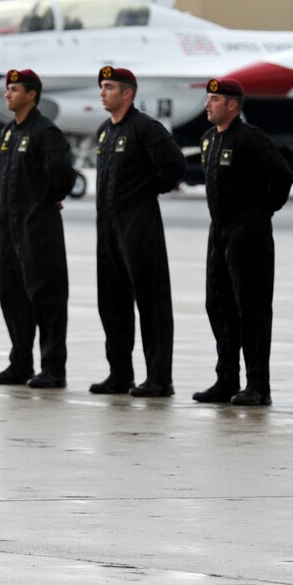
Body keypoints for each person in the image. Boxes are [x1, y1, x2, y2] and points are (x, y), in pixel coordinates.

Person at [191, 78, 293, 407]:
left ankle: (258, 385)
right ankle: (226, 380)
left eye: (215, 99)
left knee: (251, 309)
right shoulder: (209, 140)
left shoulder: (251, 138)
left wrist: (262, 212)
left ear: (233, 105)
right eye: (208, 99)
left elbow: (282, 176)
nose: (208, 104)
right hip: (218, 233)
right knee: (218, 305)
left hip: (249, 233)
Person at [89, 66, 187, 397]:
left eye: (109, 87)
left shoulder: (145, 128)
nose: (103, 92)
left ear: (128, 93)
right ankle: (120, 374)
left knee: (151, 302)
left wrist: (149, 191)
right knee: (112, 303)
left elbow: (174, 165)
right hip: (108, 229)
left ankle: (159, 378)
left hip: (139, 226)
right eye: (102, 87)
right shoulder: (105, 131)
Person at [0, 69, 76, 389]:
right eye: (7, 89)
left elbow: (64, 174)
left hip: (38, 228)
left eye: (14, 89)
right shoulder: (9, 131)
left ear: (32, 95)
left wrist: (49, 200)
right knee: (12, 296)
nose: (8, 94)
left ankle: (53, 367)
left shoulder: (44, 131)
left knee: (47, 298)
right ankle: (20, 363)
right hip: (9, 229)